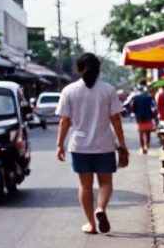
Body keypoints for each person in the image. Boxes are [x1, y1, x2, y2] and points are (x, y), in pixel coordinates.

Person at [55, 53, 129, 235]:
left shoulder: (69, 91)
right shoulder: (108, 90)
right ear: (99, 70)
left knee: (85, 186)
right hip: (104, 144)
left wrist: (59, 145)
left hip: (79, 146)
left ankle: (91, 224)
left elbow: (65, 121)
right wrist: (122, 144)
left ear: (78, 69)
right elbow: (116, 120)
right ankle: (101, 209)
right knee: (105, 183)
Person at [128, 85, 158, 154]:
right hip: (148, 117)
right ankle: (147, 146)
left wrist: (135, 113)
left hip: (139, 118)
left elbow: (132, 107)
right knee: (148, 133)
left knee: (141, 133)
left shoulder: (135, 97)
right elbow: (153, 106)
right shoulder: (149, 97)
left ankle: (142, 147)